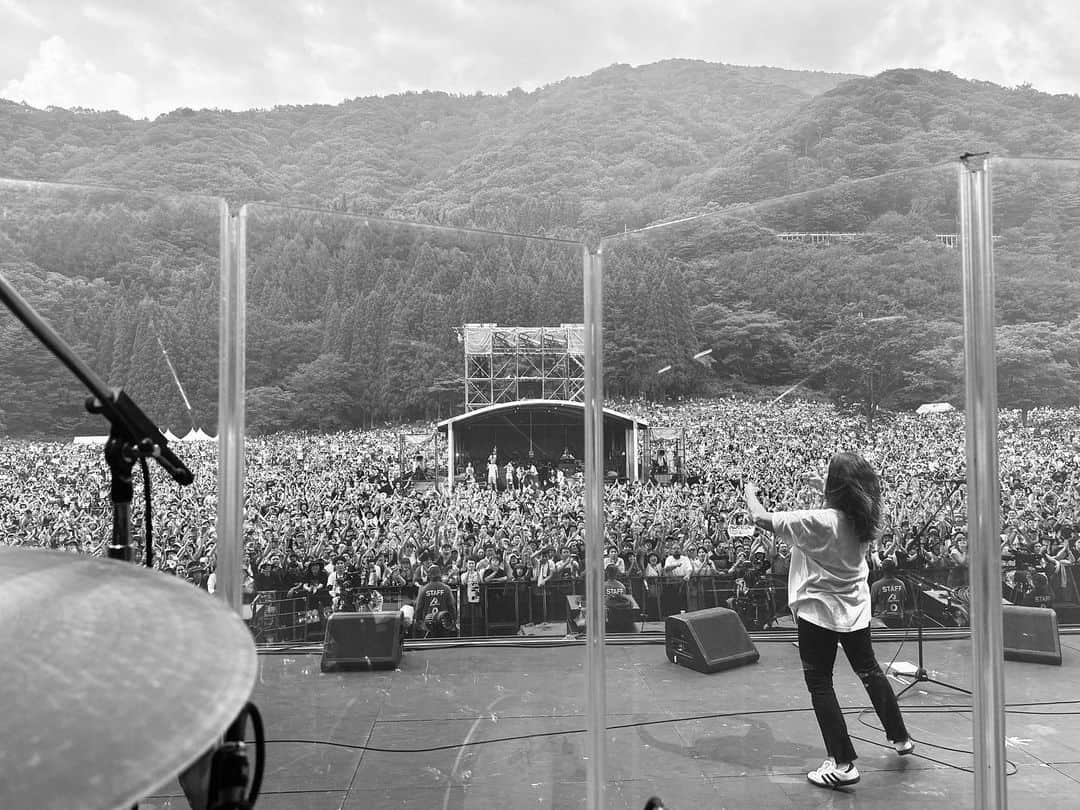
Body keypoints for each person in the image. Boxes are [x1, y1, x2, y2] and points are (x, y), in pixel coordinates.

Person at [744, 452, 912, 790]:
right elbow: (844, 511)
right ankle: (900, 737)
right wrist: (824, 487)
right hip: (855, 609)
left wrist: (748, 487)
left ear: (837, 487)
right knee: (869, 671)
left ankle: (842, 763)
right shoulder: (866, 518)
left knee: (820, 683)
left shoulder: (817, 521)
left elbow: (759, 517)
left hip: (818, 611)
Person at [414, 565, 458, 639]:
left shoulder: (424, 589)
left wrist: (418, 620)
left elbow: (419, 607)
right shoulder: (446, 588)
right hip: (444, 623)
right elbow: (452, 606)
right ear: (440, 575)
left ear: (429, 575)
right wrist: (453, 620)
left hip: (428, 624)